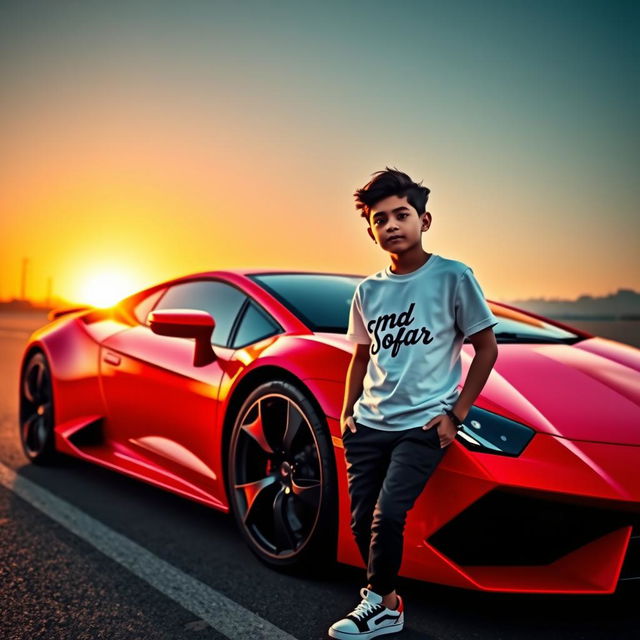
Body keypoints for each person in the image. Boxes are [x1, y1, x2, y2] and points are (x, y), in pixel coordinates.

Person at [328, 168, 499, 639]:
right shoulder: (368, 291)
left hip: (424, 425)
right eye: (380, 220)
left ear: (425, 219)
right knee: (362, 522)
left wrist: (456, 415)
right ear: (371, 232)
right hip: (369, 425)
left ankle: (376, 607)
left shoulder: (453, 276)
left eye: (401, 215)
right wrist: (347, 413)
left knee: (389, 514)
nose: (391, 226)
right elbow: (361, 357)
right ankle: (389, 603)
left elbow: (486, 348)